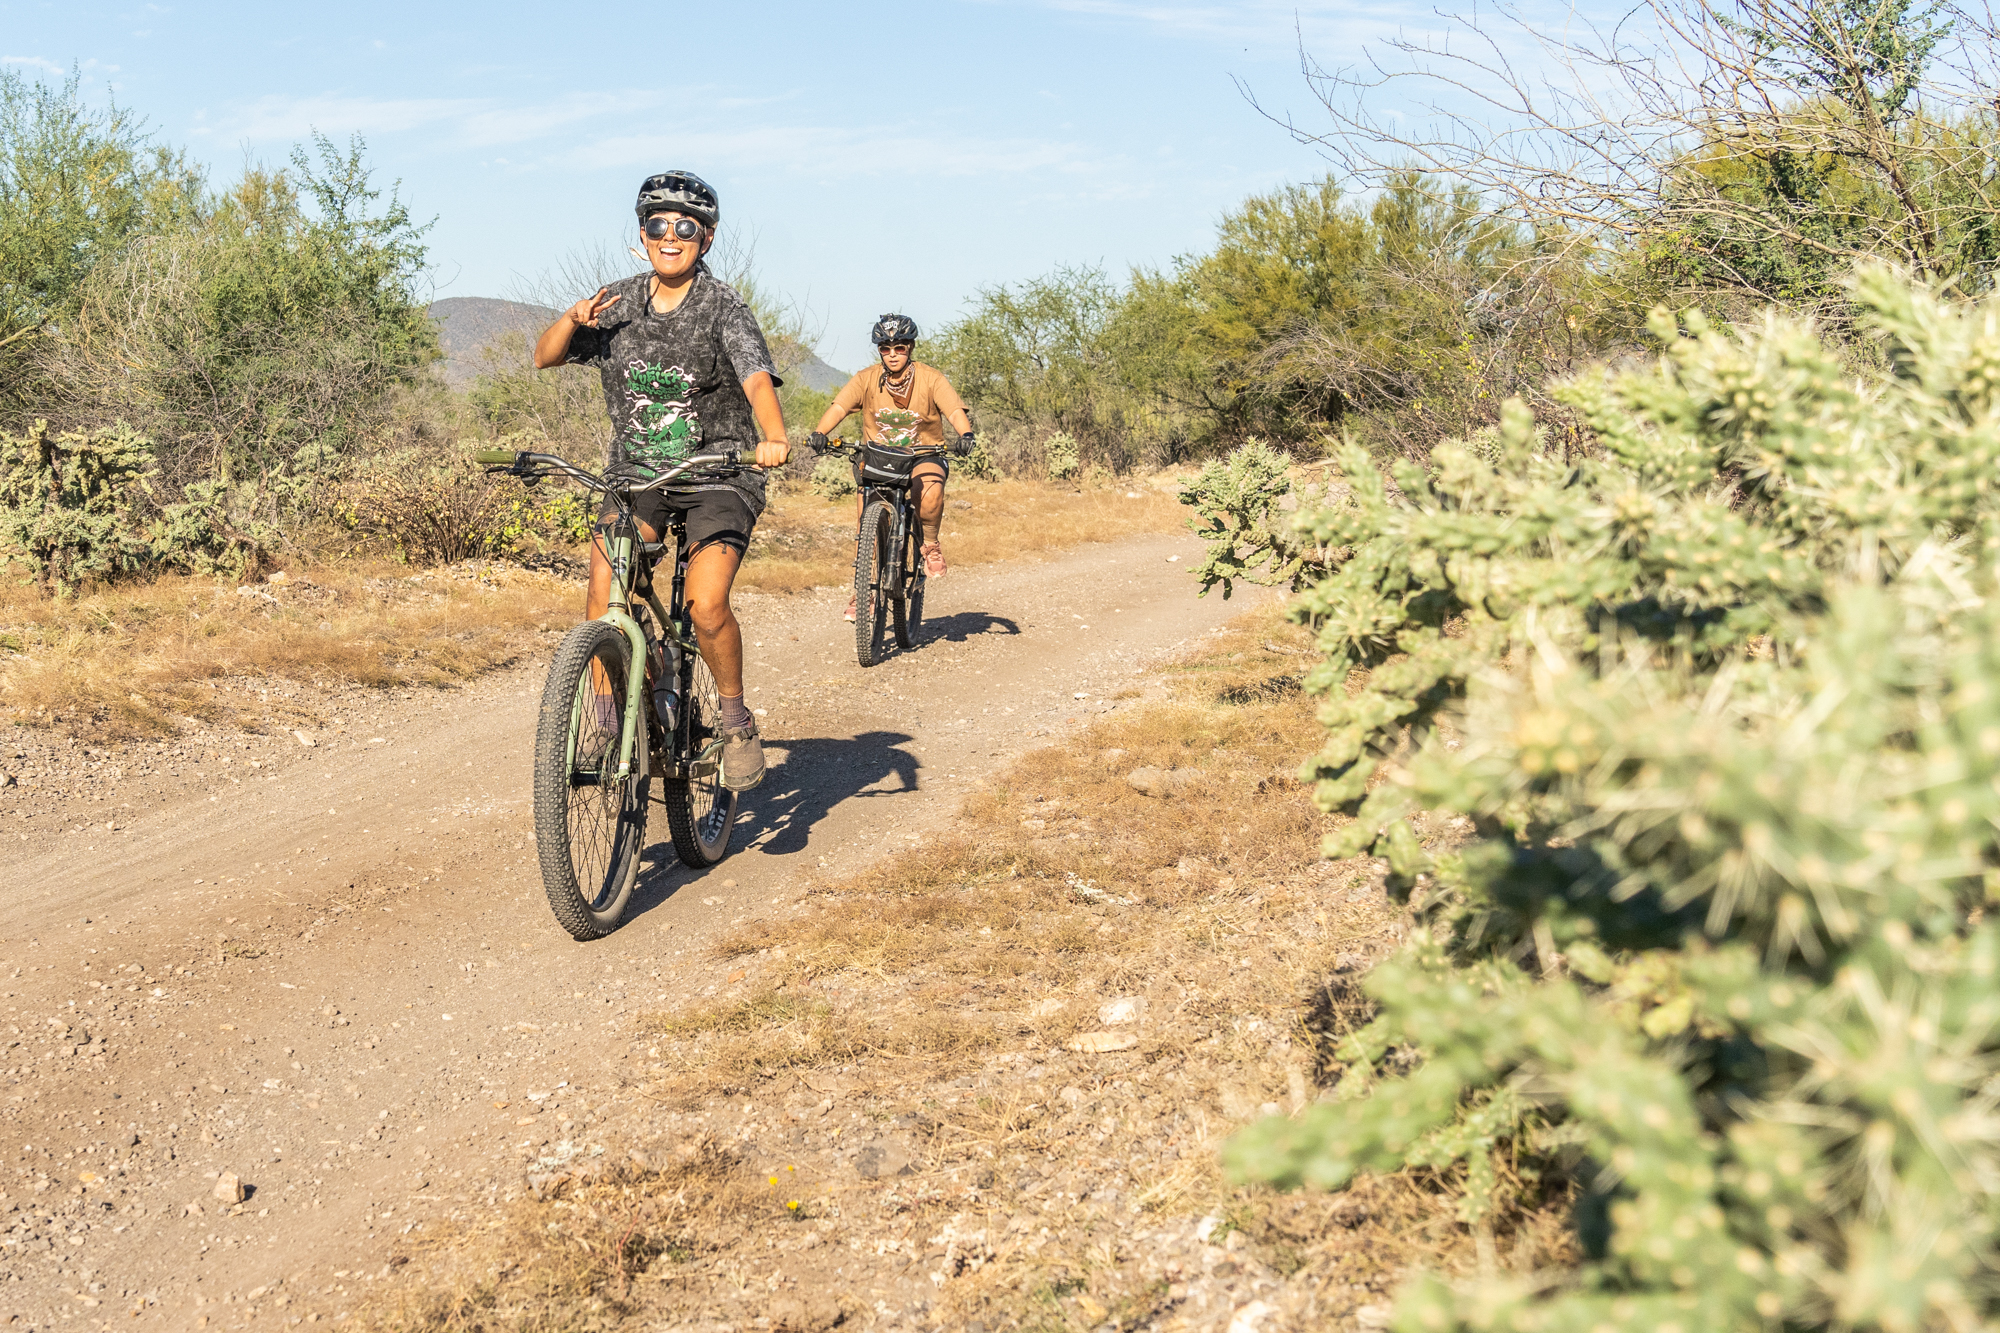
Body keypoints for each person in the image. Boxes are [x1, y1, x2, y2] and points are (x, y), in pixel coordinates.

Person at [531, 170, 789, 791]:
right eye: (658, 226)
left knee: (705, 603)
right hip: (636, 473)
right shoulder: (615, 303)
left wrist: (772, 437)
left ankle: (732, 719)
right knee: (605, 592)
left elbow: (755, 377)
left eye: (685, 227)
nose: (670, 237)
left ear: (706, 236)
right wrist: (573, 317)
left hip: (718, 470)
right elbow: (545, 356)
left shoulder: (723, 307)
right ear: (641, 233)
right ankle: (605, 718)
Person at [807, 315, 975, 621]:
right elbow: (840, 407)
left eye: (899, 347)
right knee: (864, 523)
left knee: (931, 491)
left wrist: (965, 435)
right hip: (878, 456)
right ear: (879, 351)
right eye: (885, 348)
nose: (893, 353)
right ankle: (864, 593)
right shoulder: (866, 378)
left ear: (910, 347)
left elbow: (953, 409)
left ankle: (931, 545)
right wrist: (820, 433)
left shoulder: (931, 379)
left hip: (923, 453)